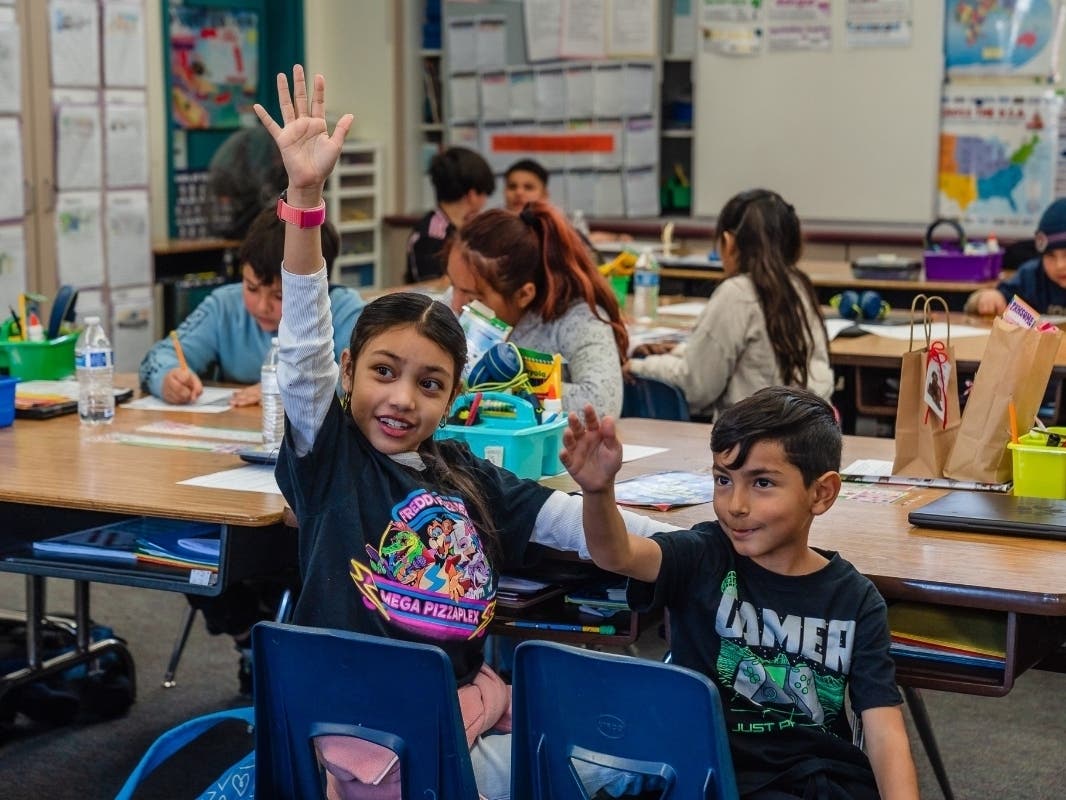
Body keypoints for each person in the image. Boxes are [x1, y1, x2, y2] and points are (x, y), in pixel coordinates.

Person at [255, 64, 673, 799]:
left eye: (429, 384)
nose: (401, 399)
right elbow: (301, 340)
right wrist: (306, 199)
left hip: (458, 716)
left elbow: (576, 524)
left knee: (627, 769)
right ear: (348, 372)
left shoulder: (466, 476)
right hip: (365, 728)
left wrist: (683, 539)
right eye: (383, 372)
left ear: (453, 398)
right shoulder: (331, 459)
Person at [560, 386, 920, 799]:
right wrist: (597, 491)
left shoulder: (855, 600)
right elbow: (616, 553)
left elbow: (885, 734)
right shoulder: (704, 556)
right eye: (723, 480)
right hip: (709, 776)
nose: (736, 504)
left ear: (821, 493)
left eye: (762, 482)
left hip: (816, 783)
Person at [625, 188, 832, 420]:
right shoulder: (800, 287)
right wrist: (681, 351)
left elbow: (696, 386)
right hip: (804, 433)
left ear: (729, 242)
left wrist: (638, 366)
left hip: (752, 438)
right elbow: (758, 360)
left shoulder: (736, 293)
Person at [139, 206, 365, 407]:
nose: (262, 306)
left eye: (279, 296)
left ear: (315, 285)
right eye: (251, 288)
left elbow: (362, 378)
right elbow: (159, 357)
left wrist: (285, 387)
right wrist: (169, 378)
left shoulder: (345, 311)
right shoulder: (224, 306)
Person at [445, 201, 629, 416]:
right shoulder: (454, 302)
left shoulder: (577, 320)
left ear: (524, 294)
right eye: (452, 285)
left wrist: (504, 387)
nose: (456, 305)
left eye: (473, 296)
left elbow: (602, 404)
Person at [406, 146, 495, 283]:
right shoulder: (432, 234)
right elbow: (431, 287)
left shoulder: (471, 228)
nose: (485, 202)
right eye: (484, 194)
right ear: (472, 195)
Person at [966, 197, 1066, 316]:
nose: (1060, 265)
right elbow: (1000, 295)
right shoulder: (1031, 277)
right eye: (1050, 255)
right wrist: (990, 298)